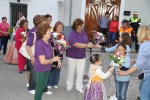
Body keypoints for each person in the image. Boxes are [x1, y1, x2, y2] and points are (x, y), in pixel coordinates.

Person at [117, 26, 150, 100]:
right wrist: (135, 61)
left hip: (149, 73)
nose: (136, 35)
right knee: (142, 87)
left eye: (138, 33)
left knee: (144, 94)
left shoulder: (145, 45)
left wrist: (126, 72)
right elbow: (145, 58)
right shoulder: (147, 43)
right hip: (147, 72)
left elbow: (138, 65)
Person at [97, 32, 132, 100]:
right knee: (119, 89)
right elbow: (113, 62)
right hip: (118, 73)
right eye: (118, 50)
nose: (119, 38)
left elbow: (127, 65)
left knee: (122, 94)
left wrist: (121, 66)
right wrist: (110, 66)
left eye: (120, 37)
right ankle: (117, 95)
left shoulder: (121, 46)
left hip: (124, 75)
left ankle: (118, 95)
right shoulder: (127, 47)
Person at [66, 18, 94, 93]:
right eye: (80, 26)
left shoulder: (83, 32)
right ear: (76, 26)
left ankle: (79, 86)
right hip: (72, 55)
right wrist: (86, 45)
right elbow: (75, 44)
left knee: (80, 71)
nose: (81, 27)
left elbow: (87, 42)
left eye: (82, 25)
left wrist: (94, 44)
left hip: (81, 55)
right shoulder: (72, 33)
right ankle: (69, 85)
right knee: (71, 71)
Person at [34, 22, 61, 100]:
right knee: (39, 88)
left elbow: (51, 53)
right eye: (49, 31)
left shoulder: (48, 41)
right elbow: (42, 61)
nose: (51, 33)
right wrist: (53, 60)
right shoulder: (39, 44)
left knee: (42, 86)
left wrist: (57, 59)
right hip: (41, 69)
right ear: (43, 33)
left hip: (47, 68)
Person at [26, 15, 46, 94]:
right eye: (43, 21)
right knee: (34, 72)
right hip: (34, 54)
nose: (45, 23)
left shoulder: (42, 30)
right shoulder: (33, 32)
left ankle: (42, 88)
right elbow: (28, 45)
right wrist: (32, 57)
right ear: (38, 23)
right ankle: (32, 88)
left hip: (41, 54)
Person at [47, 21, 66, 89]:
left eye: (61, 27)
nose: (60, 28)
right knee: (51, 68)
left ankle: (56, 82)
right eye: (59, 27)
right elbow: (49, 43)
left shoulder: (63, 35)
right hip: (52, 53)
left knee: (58, 68)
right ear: (55, 27)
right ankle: (49, 82)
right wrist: (52, 47)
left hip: (60, 53)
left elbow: (65, 44)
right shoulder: (51, 34)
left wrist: (64, 47)